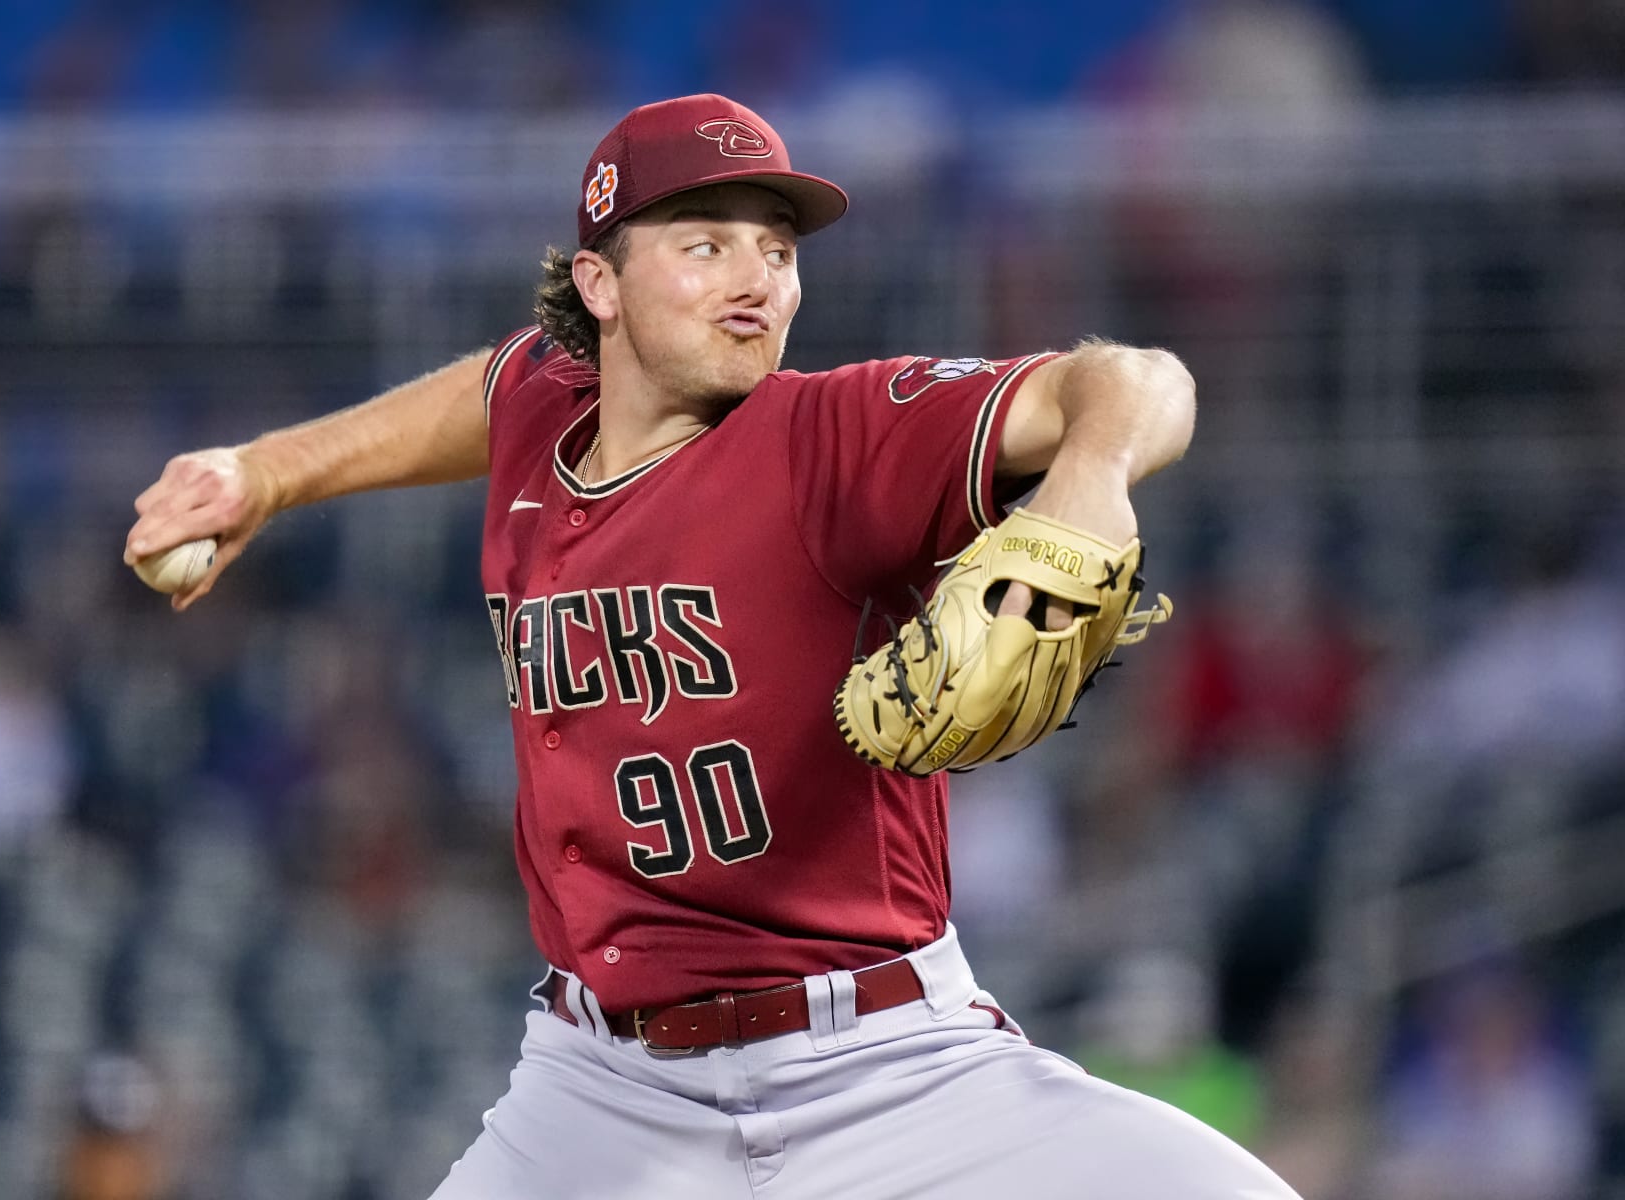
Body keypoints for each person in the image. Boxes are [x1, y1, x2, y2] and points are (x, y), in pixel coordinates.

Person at [125, 93, 1299, 1198]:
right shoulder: (545, 410)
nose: (757, 283)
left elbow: (1138, 381)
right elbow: (483, 393)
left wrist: (1090, 478)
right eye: (706, 245)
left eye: (777, 252)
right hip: (599, 1088)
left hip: (888, 1071)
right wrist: (265, 474)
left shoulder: (835, 435)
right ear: (601, 284)